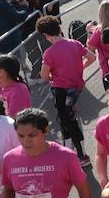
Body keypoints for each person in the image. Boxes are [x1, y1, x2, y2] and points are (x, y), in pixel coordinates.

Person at [37, 16, 94, 162]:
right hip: (76, 88)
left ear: (45, 35)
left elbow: (43, 76)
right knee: (66, 120)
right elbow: (92, 57)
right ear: (59, 29)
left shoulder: (50, 53)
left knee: (68, 121)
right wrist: (80, 67)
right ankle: (68, 149)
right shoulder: (74, 43)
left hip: (61, 89)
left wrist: (52, 77)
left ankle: (81, 155)